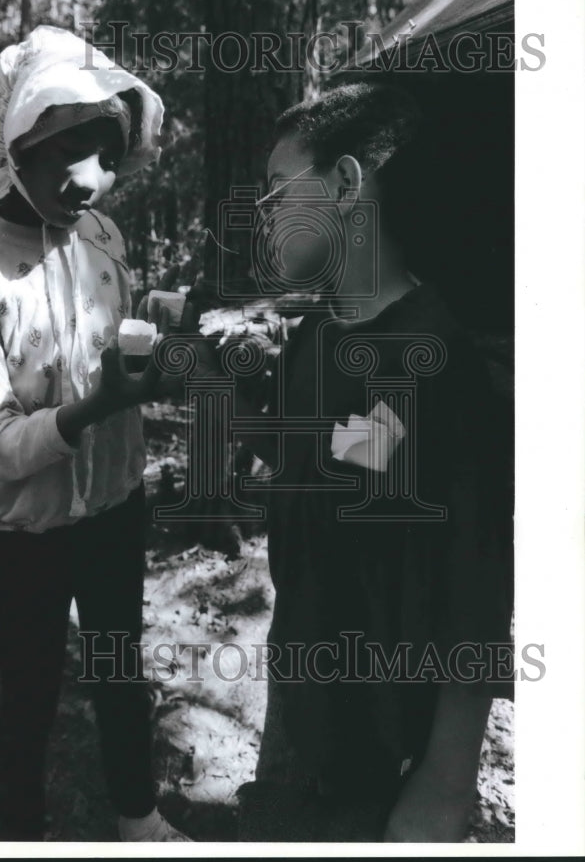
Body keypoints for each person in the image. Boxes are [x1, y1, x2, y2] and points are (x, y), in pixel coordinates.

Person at [190, 81, 513, 842]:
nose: (262, 216)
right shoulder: (316, 336)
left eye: (275, 191)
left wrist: (445, 775)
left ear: (343, 184)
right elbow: (327, 454)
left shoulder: (435, 356)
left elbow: (475, 575)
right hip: (302, 697)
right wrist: (218, 402)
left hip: (388, 734)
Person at [0, 25, 189, 842]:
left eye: (108, 158)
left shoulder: (100, 240)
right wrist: (93, 408)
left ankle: (136, 816)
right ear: (19, 146)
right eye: (70, 154)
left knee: (119, 667)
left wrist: (166, 334)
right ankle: (22, 833)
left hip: (114, 506)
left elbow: (118, 339)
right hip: (30, 535)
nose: (93, 180)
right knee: (32, 686)